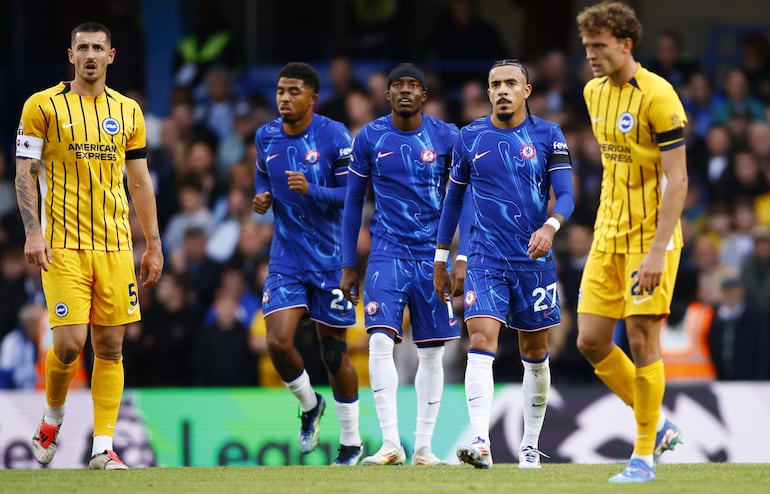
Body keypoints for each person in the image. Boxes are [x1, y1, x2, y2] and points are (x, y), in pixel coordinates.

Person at [15, 22, 163, 469]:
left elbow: (139, 181)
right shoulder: (42, 105)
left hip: (116, 246)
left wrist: (153, 243)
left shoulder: (129, 112)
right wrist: (33, 231)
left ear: (112, 55)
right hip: (62, 245)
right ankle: (52, 417)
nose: (91, 54)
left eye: (99, 47)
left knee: (112, 346)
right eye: (84, 48)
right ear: (71, 55)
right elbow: (25, 171)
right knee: (68, 345)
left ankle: (103, 447)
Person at [434, 59, 575, 470]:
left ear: (527, 91)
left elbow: (566, 193)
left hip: (534, 258)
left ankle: (530, 446)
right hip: (485, 257)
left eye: (511, 83)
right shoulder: (469, 137)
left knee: (536, 350)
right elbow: (454, 199)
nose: (502, 90)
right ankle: (481, 442)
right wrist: (443, 256)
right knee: (480, 340)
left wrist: (551, 226)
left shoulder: (548, 135)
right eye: (495, 84)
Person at [575, 2, 688, 483]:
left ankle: (643, 456)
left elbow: (678, 181)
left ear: (626, 44)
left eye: (599, 46)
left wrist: (659, 250)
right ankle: (658, 424)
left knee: (642, 338)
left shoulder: (660, 96)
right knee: (591, 341)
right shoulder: (591, 92)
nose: (591, 55)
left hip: (649, 238)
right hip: (607, 234)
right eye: (586, 47)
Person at [340, 63, 462, 466]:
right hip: (386, 253)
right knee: (378, 340)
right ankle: (391, 443)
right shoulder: (370, 138)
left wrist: (459, 257)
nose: (405, 91)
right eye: (398, 86)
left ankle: (424, 448)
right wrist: (347, 263)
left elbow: (465, 197)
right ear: (387, 94)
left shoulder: (447, 137)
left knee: (431, 353)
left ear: (424, 95)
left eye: (413, 85)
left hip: (433, 257)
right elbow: (353, 201)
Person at [252, 62, 362, 466]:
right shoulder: (266, 136)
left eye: (294, 91)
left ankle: (350, 443)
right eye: (281, 90)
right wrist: (262, 197)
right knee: (278, 341)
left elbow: (352, 195)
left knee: (333, 355)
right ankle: (310, 404)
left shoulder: (333, 135)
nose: (284, 97)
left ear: (312, 99)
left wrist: (312, 189)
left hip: (332, 261)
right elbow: (262, 176)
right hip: (287, 259)